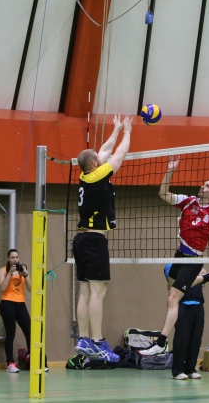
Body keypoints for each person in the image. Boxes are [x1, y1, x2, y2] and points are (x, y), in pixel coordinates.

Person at [140, 156, 209, 356]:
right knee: (171, 299)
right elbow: (163, 194)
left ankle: (161, 342)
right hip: (179, 256)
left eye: (207, 186)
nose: (202, 186)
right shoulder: (188, 202)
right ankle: (172, 338)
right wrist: (170, 170)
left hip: (193, 261)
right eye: (203, 184)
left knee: (173, 298)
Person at [73, 114, 132, 363]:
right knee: (98, 291)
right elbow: (118, 154)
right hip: (94, 241)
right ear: (96, 163)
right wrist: (128, 131)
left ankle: (83, 338)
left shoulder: (86, 176)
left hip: (81, 241)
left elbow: (104, 151)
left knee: (85, 291)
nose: (102, 156)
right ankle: (97, 342)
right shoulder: (99, 175)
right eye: (98, 158)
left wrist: (115, 129)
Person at [165, 264, 207, 380]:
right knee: (182, 339)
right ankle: (177, 371)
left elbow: (204, 272)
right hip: (182, 305)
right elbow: (176, 278)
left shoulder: (195, 265)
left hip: (198, 306)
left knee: (196, 339)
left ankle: (191, 369)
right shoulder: (171, 266)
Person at [0, 249, 31, 373]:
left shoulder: (23, 270)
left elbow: (30, 288)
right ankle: (10, 363)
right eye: (12, 257)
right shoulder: (3, 270)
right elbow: (2, 287)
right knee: (10, 334)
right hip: (7, 303)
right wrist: (10, 274)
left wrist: (26, 275)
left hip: (20, 304)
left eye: (17, 257)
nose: (15, 260)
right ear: (8, 259)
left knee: (29, 331)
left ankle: (32, 359)